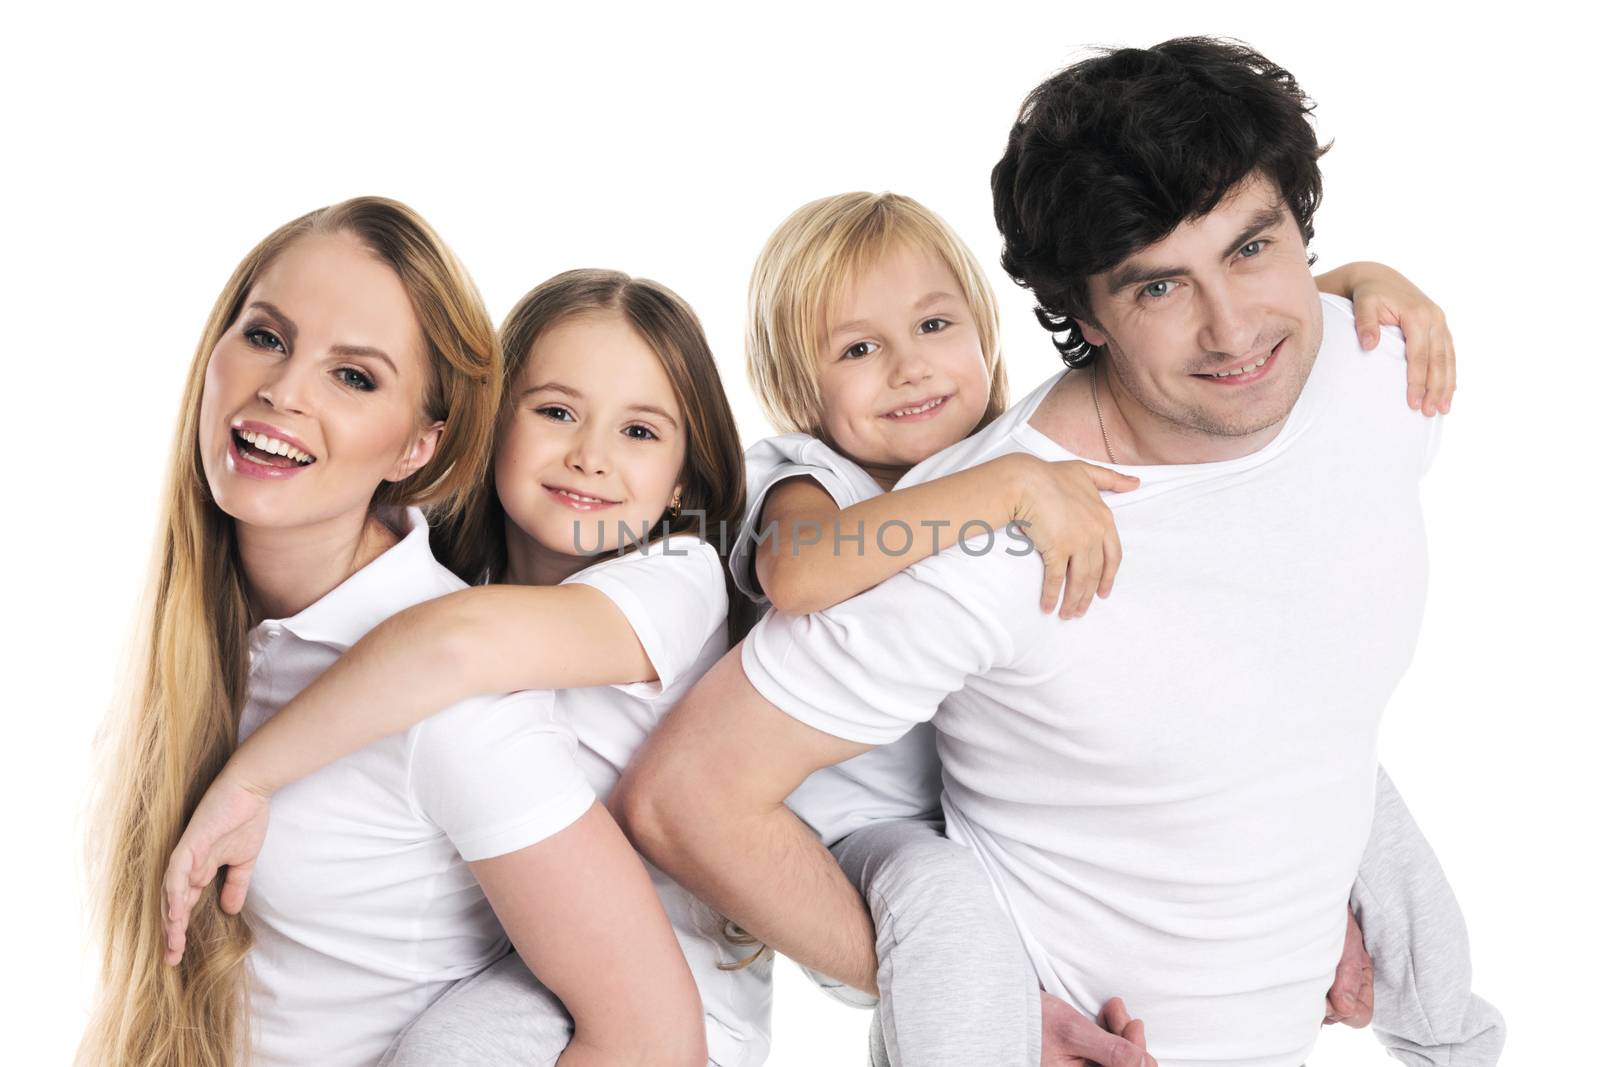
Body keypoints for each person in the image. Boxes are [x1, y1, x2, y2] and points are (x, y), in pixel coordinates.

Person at [618, 38, 1504, 1067]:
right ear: (1080, 314)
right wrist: (978, 1000)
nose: (1233, 330)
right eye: (1158, 290)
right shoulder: (979, 534)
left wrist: (1308, 892)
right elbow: (687, 796)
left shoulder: (1381, 363)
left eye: (1253, 249)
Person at [81, 201, 705, 1067]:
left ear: (419, 445)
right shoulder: (208, 630)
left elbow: (653, 1040)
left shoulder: (457, 707)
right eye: (266, 337)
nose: (284, 390)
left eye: (355, 376)